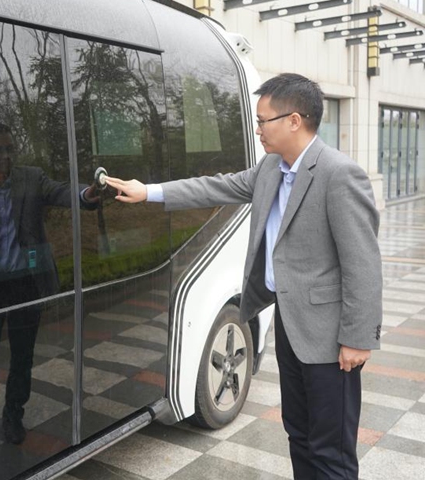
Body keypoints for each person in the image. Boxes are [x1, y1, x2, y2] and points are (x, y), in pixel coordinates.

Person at [105, 73, 381, 479]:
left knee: (332, 448)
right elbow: (213, 188)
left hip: (330, 337)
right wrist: (150, 192)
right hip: (290, 322)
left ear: (294, 120)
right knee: (299, 434)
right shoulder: (271, 168)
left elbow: (363, 263)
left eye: (263, 120)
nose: (258, 128)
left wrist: (357, 338)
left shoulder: (339, 174)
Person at [0, 121, 99, 447]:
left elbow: (60, 191)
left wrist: (85, 194)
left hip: (25, 286)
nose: (5, 156)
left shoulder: (31, 178)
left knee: (22, 358)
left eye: (9, 148)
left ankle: (13, 417)